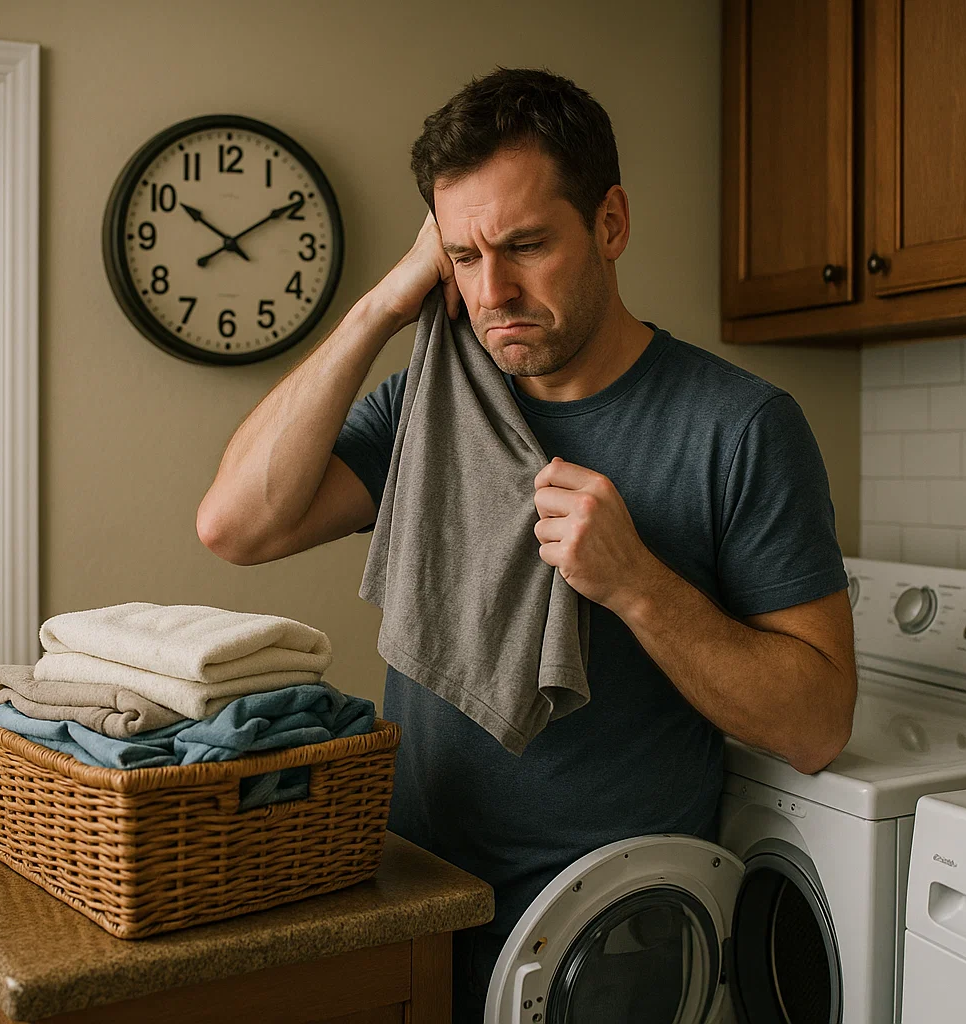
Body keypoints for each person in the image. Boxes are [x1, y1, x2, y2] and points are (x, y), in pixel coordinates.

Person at [197, 66, 857, 1022]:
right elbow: (234, 526)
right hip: (414, 897)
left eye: (525, 245)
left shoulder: (742, 428)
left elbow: (818, 722)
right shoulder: (439, 404)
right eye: (462, 257)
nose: (492, 290)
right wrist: (385, 303)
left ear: (611, 223)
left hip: (618, 933)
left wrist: (637, 585)